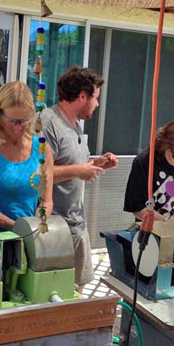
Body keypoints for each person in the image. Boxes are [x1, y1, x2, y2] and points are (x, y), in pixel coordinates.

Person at [41, 67, 117, 290]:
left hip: (76, 224)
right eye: (96, 98)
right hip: (54, 228)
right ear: (82, 95)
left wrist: (96, 163)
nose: (97, 105)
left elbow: (73, 164)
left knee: (77, 296)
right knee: (57, 297)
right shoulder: (48, 123)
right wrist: (78, 171)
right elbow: (37, 175)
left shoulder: (74, 125)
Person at [0, 81, 53, 231]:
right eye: (12, 121)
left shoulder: (42, 149)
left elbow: (46, 202)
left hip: (30, 236)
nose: (18, 127)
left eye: (23, 121)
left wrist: (36, 222)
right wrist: (17, 227)